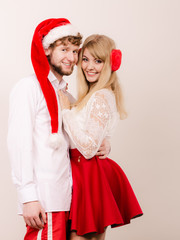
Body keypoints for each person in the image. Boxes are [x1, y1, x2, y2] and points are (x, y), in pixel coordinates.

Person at [7, 19, 110, 240]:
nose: (71, 58)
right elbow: (19, 144)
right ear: (47, 50)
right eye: (64, 49)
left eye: (75, 51)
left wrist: (104, 139)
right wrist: (28, 197)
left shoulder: (66, 96)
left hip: (68, 198)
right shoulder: (29, 88)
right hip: (45, 198)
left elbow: (81, 137)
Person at [58, 34, 143, 240]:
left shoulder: (100, 96)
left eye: (98, 60)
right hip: (86, 172)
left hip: (89, 172)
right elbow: (91, 131)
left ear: (109, 63)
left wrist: (66, 111)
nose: (90, 66)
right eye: (85, 59)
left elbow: (87, 148)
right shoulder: (94, 95)